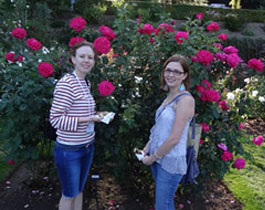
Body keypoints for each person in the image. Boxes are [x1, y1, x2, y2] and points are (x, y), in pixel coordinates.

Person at [50, 40, 105, 210]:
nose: (87, 60)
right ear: (73, 59)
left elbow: (79, 112)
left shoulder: (85, 83)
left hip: (87, 146)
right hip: (69, 150)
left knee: (79, 191)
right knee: (69, 195)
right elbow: (56, 119)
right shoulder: (67, 84)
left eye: (90, 57)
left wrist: (96, 115)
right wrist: (88, 120)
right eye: (82, 56)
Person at [141, 54, 195, 210]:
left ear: (184, 75)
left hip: (170, 161)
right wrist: (147, 147)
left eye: (176, 72)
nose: (171, 75)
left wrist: (152, 158)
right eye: (168, 70)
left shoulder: (185, 100)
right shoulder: (170, 96)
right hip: (159, 157)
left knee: (162, 206)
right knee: (164, 204)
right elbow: (159, 129)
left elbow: (174, 138)